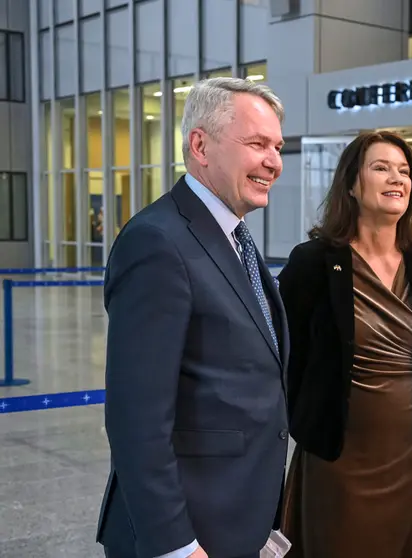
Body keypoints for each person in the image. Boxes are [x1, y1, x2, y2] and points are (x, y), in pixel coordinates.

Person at [95, 77, 290, 558]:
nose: (274, 161)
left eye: (278, 146)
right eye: (257, 144)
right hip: (187, 533)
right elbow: (136, 418)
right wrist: (176, 545)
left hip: (237, 518)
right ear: (200, 146)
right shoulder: (157, 242)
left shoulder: (233, 237)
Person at [277, 131, 412, 558]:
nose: (397, 178)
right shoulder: (313, 262)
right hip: (340, 460)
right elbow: (286, 359)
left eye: (405, 171)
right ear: (352, 184)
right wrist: (310, 421)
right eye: (382, 167)